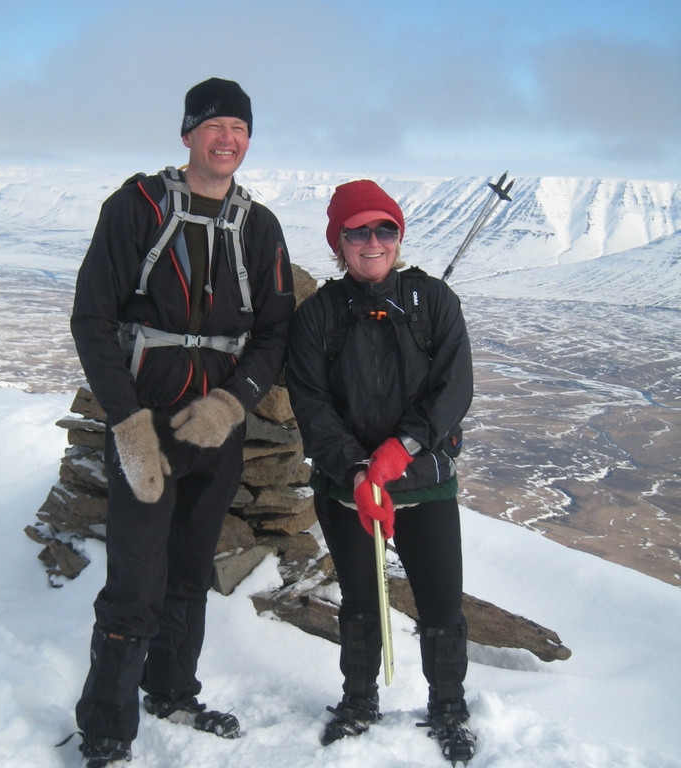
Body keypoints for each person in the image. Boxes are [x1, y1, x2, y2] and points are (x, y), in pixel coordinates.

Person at [69, 78, 295, 767]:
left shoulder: (260, 228)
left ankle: (172, 691)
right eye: (215, 125)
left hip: (216, 430)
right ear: (189, 133)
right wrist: (127, 422)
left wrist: (234, 403)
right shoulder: (136, 206)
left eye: (240, 128)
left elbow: (276, 334)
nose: (228, 139)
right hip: (148, 428)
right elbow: (92, 319)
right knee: (136, 579)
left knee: (191, 570)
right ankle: (107, 728)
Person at [285, 180, 476, 763]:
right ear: (338, 243)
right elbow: (312, 406)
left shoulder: (433, 301)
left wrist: (398, 453)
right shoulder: (318, 316)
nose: (373, 242)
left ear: (399, 234)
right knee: (361, 602)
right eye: (357, 231)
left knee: (441, 604)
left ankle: (448, 709)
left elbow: (454, 388)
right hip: (347, 489)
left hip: (425, 483)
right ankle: (358, 702)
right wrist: (359, 471)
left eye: (384, 228)